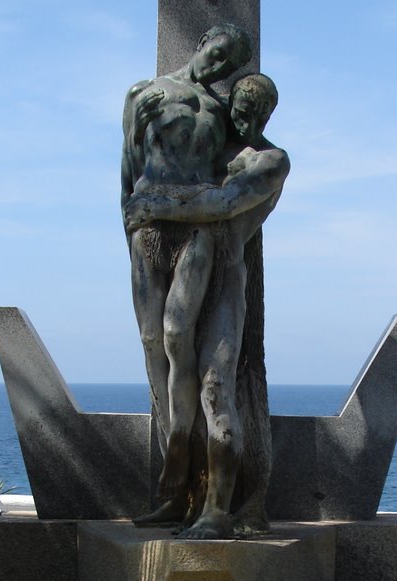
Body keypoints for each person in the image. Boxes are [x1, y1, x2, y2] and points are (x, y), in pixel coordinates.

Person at [124, 73, 289, 538]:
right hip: (180, 265)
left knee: (217, 388)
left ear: (268, 114)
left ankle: (217, 509)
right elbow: (142, 160)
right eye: (240, 103)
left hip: (222, 284)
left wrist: (152, 206)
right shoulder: (208, 148)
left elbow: (222, 203)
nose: (245, 115)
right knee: (170, 370)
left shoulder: (270, 161)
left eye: (256, 108)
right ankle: (179, 496)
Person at [122, 23, 252, 527]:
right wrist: (130, 221)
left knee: (178, 334)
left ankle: (182, 455)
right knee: (153, 341)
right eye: (218, 54)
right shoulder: (144, 92)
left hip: (197, 233)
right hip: (148, 231)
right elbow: (128, 170)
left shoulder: (222, 114)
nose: (219, 67)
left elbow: (228, 181)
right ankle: (172, 464)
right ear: (202, 44)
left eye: (230, 64)